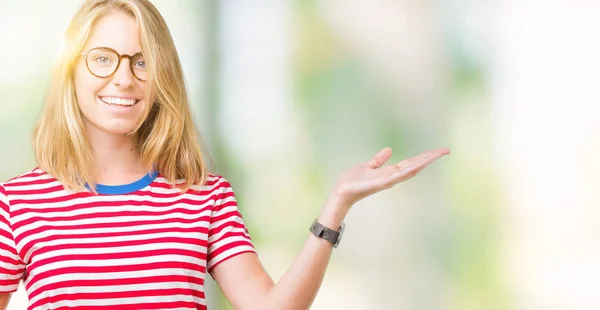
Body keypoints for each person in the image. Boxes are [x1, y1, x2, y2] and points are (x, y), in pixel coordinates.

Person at [0, 0, 449, 309]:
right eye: (102, 59)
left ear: (161, 78)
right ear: (71, 71)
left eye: (141, 62)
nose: (124, 78)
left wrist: (336, 206)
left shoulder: (204, 197)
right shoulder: (16, 204)